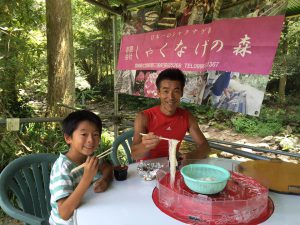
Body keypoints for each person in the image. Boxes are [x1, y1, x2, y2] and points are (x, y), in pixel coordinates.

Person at [131, 68, 210, 161]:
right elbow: (134, 155)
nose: (171, 97)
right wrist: (145, 146)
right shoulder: (143, 117)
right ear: (158, 92)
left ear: (182, 92)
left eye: (176, 91)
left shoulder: (187, 117)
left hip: (172, 167)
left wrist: (192, 155)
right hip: (146, 171)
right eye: (165, 91)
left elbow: (205, 147)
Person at [49, 110, 113, 225]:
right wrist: (87, 178)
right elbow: (64, 213)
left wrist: (105, 179)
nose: (91, 140)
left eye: (95, 134)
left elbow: (107, 167)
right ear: (68, 138)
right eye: (84, 134)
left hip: (91, 215)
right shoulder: (62, 168)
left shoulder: (89, 157)